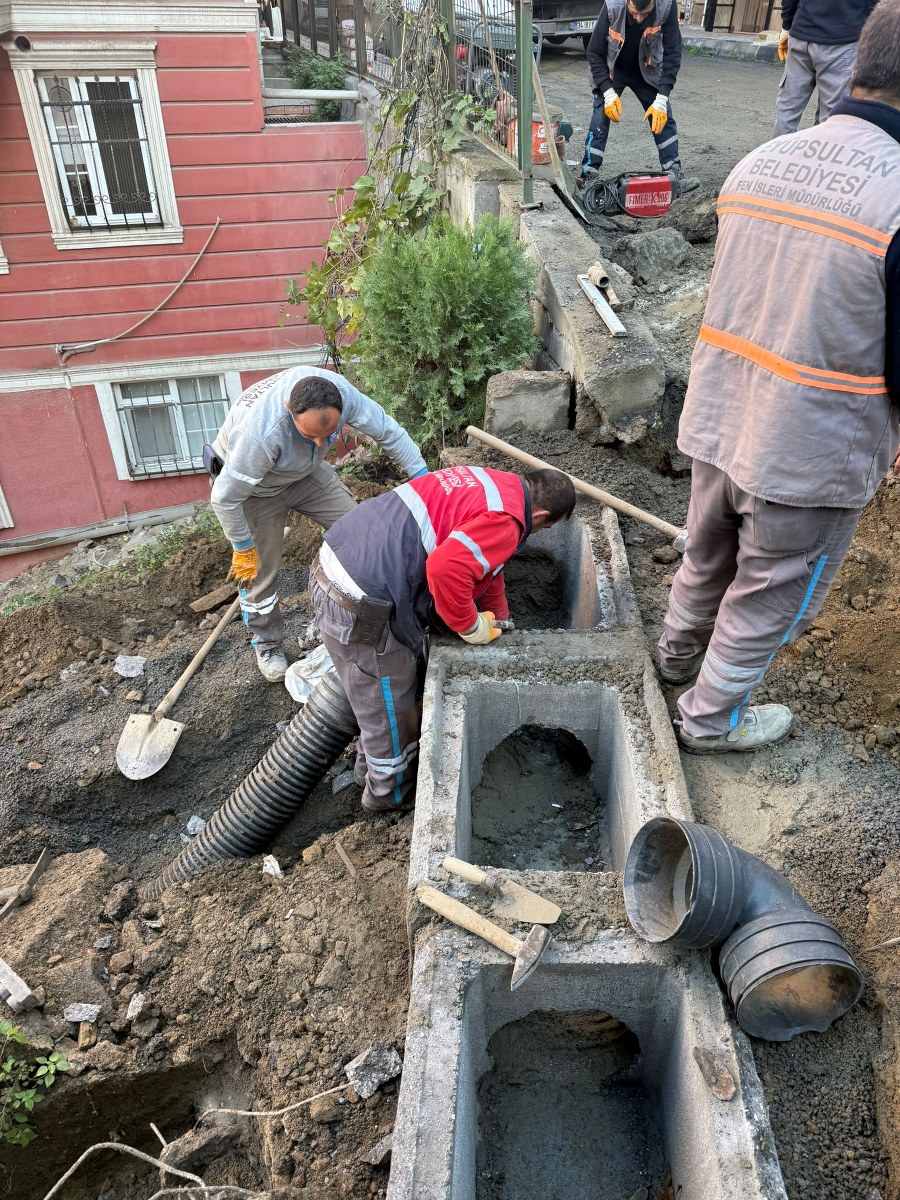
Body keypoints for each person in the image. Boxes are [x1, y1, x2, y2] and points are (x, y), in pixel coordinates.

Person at [657, 0, 900, 755]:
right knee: (770, 596)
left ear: (859, 63)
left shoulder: (758, 164)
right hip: (809, 453)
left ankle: (672, 659)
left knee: (705, 554)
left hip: (719, 418)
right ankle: (709, 721)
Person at [309, 464, 576, 812]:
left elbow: (486, 566)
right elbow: (444, 568)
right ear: (540, 515)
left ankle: (364, 771)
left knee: (375, 693)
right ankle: (389, 797)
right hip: (361, 599)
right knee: (392, 707)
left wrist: (500, 618)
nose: (538, 533)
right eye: (545, 527)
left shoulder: (499, 485)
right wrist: (469, 625)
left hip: (345, 560)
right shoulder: (508, 521)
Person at [209, 367, 427, 682]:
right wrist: (243, 547)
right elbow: (224, 498)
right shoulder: (259, 434)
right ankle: (267, 644)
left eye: (328, 435)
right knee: (260, 573)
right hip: (256, 490)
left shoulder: (344, 395)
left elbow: (390, 433)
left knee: (361, 535)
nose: (321, 441)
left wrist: (423, 480)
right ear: (289, 410)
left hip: (306, 473)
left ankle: (372, 616)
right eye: (310, 435)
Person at [580, 0, 696, 190]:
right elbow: (594, 52)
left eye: (645, 14)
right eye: (634, 13)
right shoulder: (613, 6)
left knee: (663, 117)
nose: (639, 18)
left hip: (646, 71)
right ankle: (588, 175)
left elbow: (673, 52)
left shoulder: (666, 6)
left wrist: (662, 97)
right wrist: (607, 91)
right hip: (613, 71)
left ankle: (674, 174)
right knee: (600, 117)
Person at [775, 0, 879, 136]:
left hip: (801, 33)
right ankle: (823, 148)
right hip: (842, 38)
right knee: (833, 115)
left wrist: (786, 27)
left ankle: (778, 148)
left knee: (788, 107)